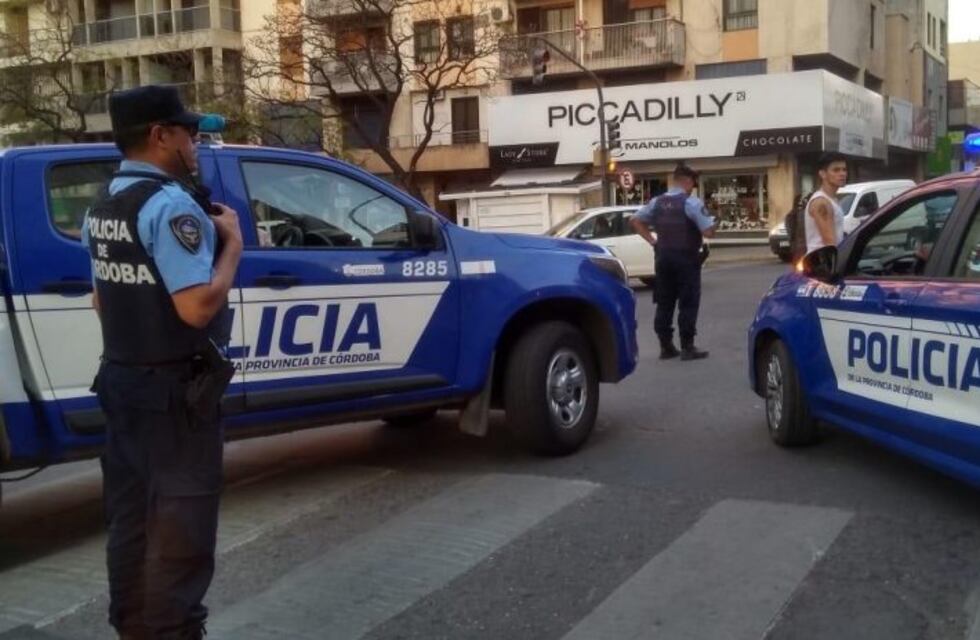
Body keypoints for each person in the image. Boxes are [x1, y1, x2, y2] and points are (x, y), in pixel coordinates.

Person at [81, 85, 242, 640]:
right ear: (160, 136)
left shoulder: (104, 204)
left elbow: (102, 299)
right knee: (180, 531)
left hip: (122, 385)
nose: (195, 143)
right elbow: (196, 306)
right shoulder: (169, 204)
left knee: (131, 524)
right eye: (188, 132)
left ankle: (134, 628)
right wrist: (234, 247)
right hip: (173, 397)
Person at [630, 164, 716, 361]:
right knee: (688, 301)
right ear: (686, 181)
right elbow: (708, 232)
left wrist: (653, 241)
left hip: (663, 257)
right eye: (693, 181)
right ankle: (687, 347)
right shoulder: (691, 203)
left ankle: (665, 346)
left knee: (664, 301)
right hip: (686, 258)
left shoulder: (657, 202)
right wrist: (713, 222)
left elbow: (635, 220)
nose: (693, 185)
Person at [805, 152, 848, 255]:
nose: (842, 174)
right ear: (822, 174)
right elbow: (830, 243)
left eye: (844, 169)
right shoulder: (821, 202)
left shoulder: (833, 200)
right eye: (836, 170)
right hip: (822, 264)